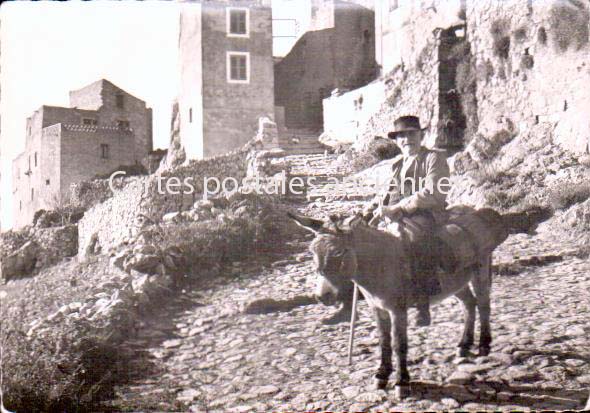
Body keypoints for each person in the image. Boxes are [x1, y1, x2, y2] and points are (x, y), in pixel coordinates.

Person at [322, 115, 450, 326]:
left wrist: (397, 208)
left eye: (411, 134)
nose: (407, 140)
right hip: (395, 213)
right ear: (396, 140)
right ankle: (347, 307)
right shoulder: (398, 164)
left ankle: (422, 303)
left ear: (421, 135)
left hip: (426, 213)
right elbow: (387, 194)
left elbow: (434, 192)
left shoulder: (434, 158)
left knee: (417, 241)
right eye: (401, 136)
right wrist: (367, 211)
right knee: (354, 241)